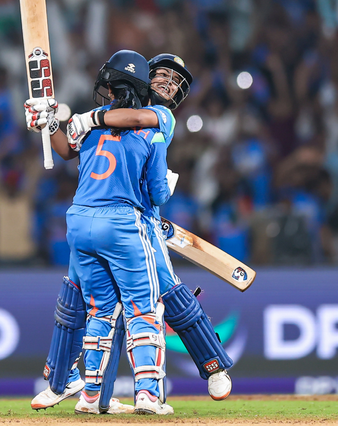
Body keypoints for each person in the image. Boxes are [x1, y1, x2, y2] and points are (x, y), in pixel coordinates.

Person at [28, 54, 233, 412]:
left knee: (168, 295)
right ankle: (72, 385)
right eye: (163, 74)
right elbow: (65, 149)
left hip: (137, 221)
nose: (169, 81)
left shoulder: (158, 118)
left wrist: (82, 118)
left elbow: (135, 118)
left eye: (176, 78)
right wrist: (49, 124)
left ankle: (213, 365)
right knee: (79, 299)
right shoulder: (105, 116)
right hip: (109, 217)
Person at [29, 50, 173, 415]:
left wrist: (59, 124)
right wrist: (47, 121)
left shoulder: (89, 124)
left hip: (79, 220)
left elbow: (63, 151)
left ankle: (90, 397)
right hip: (122, 222)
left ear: (109, 88)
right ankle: (147, 395)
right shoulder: (153, 130)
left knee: (98, 312)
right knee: (143, 310)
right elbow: (157, 193)